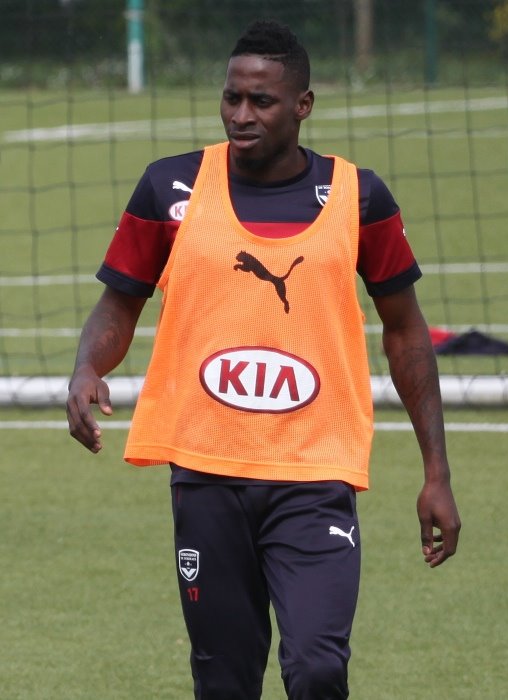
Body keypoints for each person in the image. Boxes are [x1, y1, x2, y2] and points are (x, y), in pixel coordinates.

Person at [66, 19, 460, 700]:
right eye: (232, 98)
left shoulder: (360, 197)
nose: (241, 115)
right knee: (224, 682)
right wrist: (86, 367)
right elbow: (118, 305)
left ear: (303, 105)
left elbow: (406, 333)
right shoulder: (169, 187)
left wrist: (437, 473)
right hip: (205, 474)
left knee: (317, 670)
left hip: (315, 476)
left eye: (262, 101)